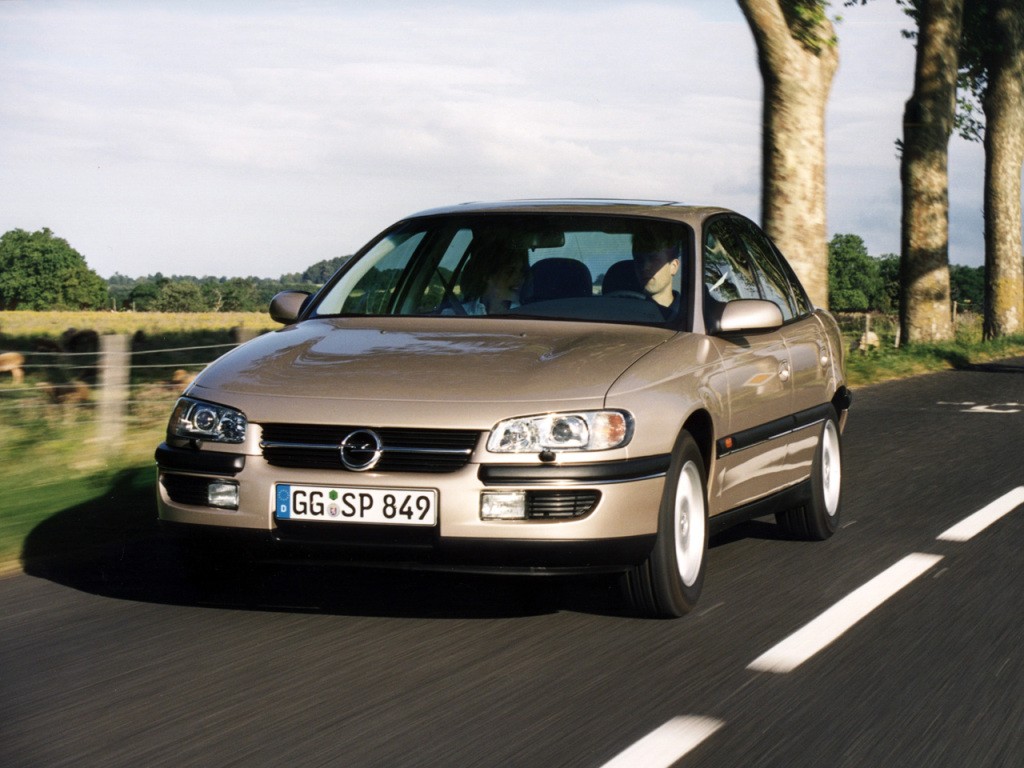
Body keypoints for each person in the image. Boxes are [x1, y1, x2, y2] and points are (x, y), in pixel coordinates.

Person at [455, 238, 529, 315]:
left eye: (522, 271)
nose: (519, 277)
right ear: (487, 275)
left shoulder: (529, 316)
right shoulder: (453, 314)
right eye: (510, 271)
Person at [632, 226, 682, 320]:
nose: (644, 267)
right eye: (639, 260)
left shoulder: (692, 314)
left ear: (673, 267)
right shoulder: (625, 315)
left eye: (654, 259)